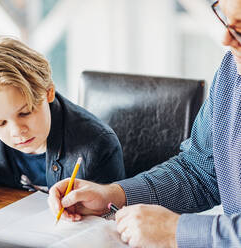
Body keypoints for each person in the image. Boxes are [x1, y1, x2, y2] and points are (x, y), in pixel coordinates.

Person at [48, 0, 241, 247]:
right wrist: (114, 195)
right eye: (224, 16)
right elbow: (199, 172)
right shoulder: (230, 72)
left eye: (240, 27)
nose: (225, 38)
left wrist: (176, 231)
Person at [0, 36, 125, 201]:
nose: (17, 131)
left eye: (25, 113)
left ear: (48, 92)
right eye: (0, 123)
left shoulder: (98, 145)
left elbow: (111, 215)